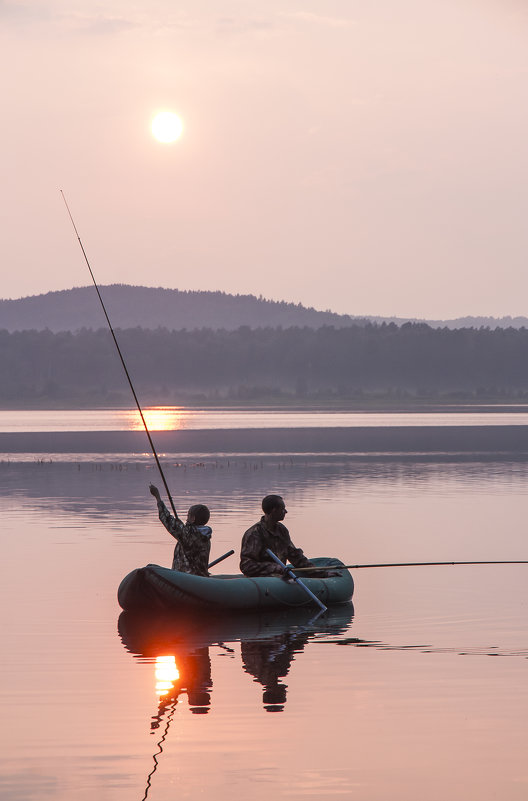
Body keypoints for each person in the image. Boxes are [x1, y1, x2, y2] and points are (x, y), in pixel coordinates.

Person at [240, 494, 319, 578]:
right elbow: (246, 566)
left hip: (280, 577)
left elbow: (295, 556)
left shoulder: (282, 530)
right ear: (274, 510)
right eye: (282, 509)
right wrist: (274, 567)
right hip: (261, 580)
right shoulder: (254, 533)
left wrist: (318, 572)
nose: (285, 511)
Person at [149, 483, 212, 576]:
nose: (186, 519)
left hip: (188, 578)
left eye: (188, 516)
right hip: (200, 577)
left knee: (150, 567)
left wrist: (157, 497)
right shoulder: (204, 536)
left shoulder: (188, 535)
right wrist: (180, 525)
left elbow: (167, 520)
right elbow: (184, 531)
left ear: (193, 518)